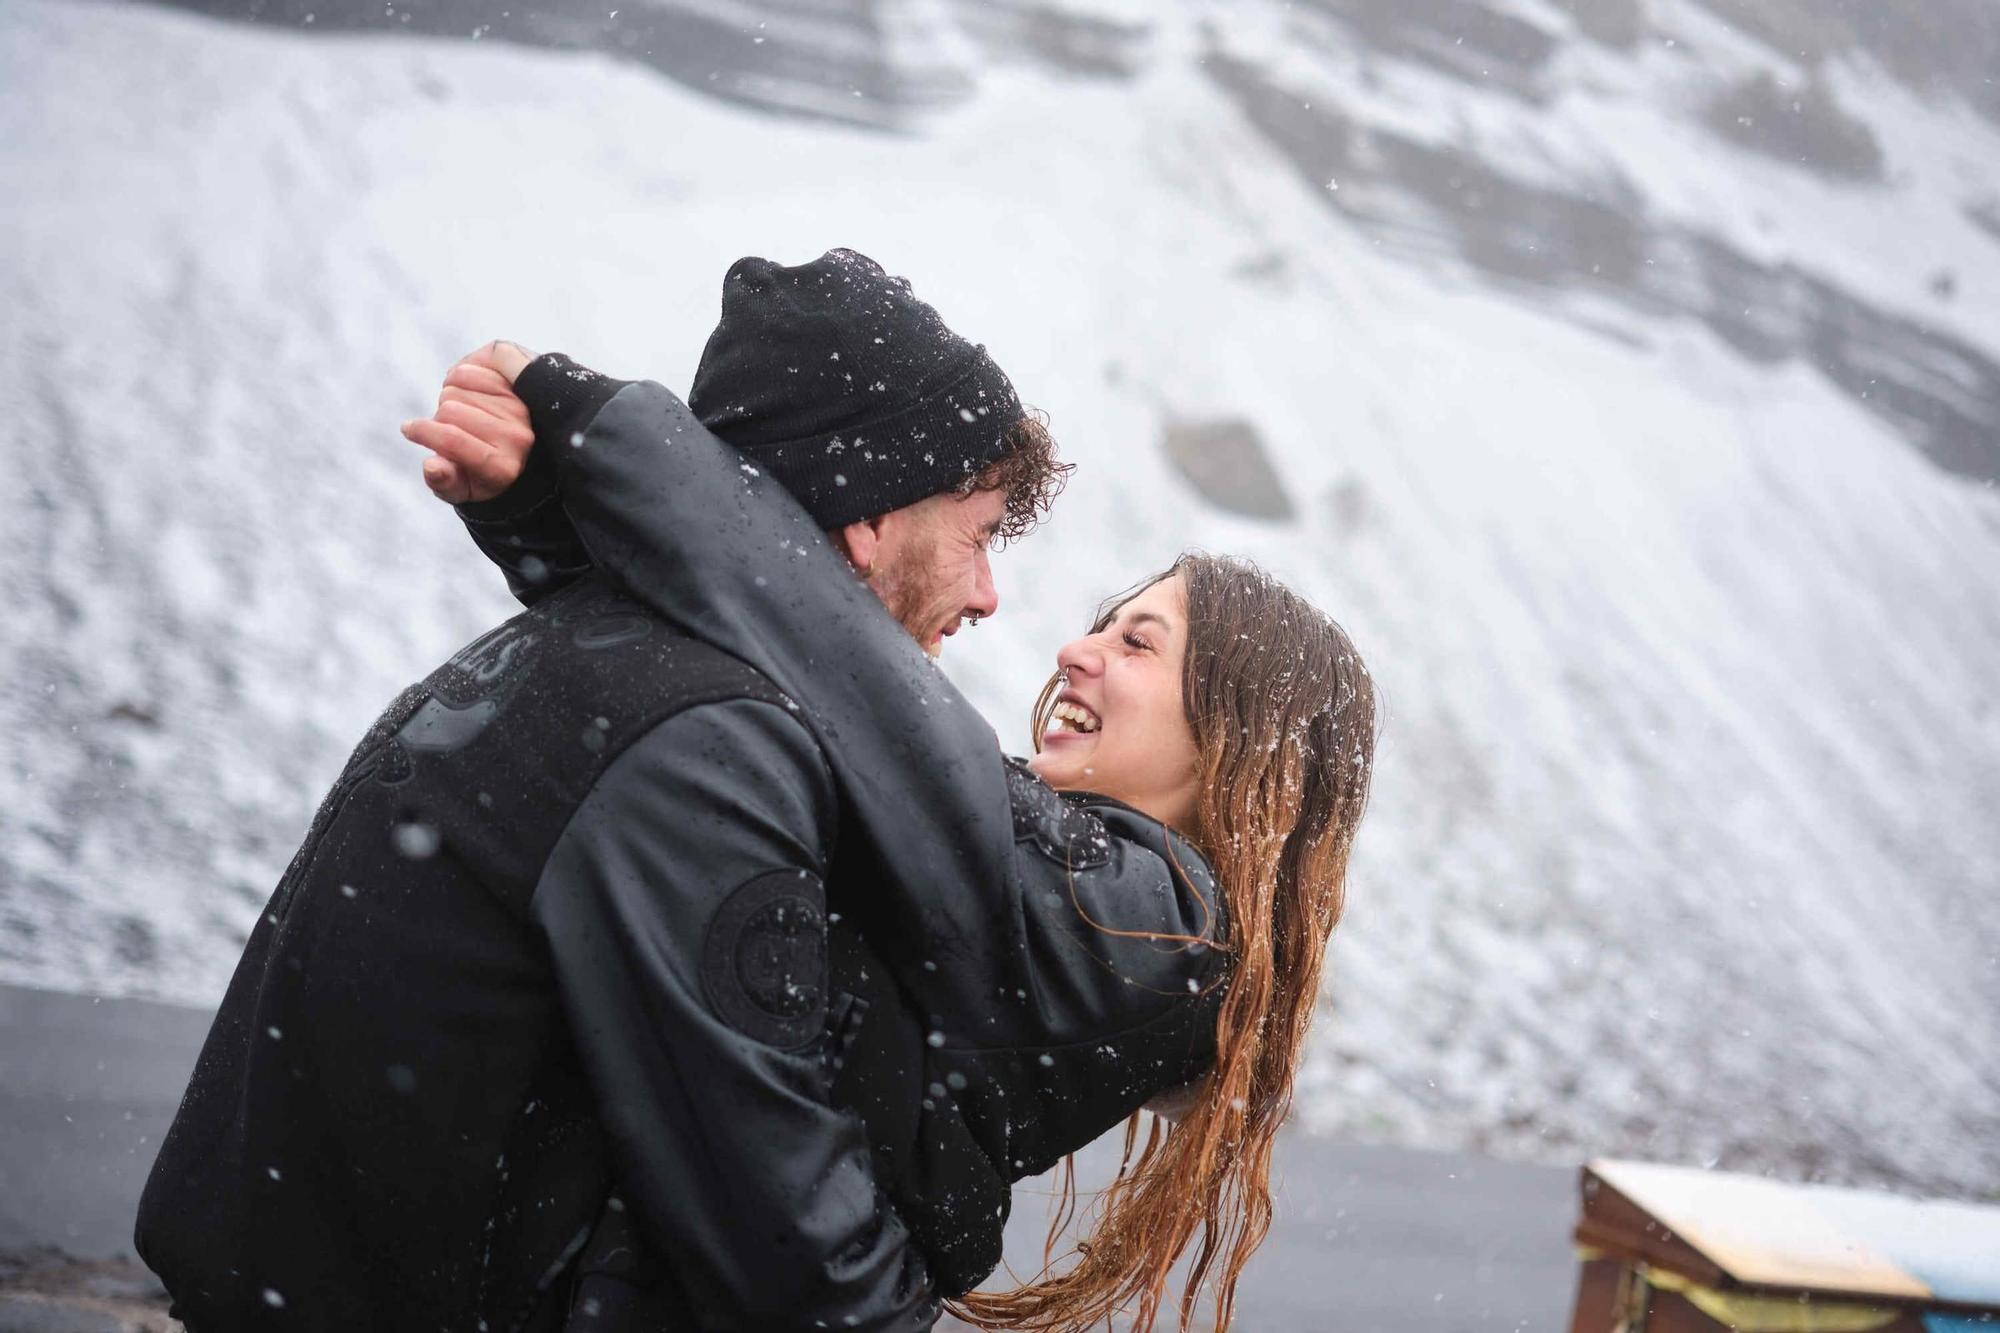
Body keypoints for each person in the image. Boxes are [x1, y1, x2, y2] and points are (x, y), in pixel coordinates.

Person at [136, 250, 1225, 1333]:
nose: (989, 593)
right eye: (978, 533)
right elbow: (770, 1221)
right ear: (869, 516)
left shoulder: (609, 655)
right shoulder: (705, 740)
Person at [414, 322, 1378, 1329]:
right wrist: (543, 517)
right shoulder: (1063, 882)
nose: (1076, 650)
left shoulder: (1161, 928)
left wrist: (608, 440)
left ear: (1233, 745)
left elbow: (828, 671)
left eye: (1136, 643)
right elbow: (761, 717)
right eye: (1102, 622)